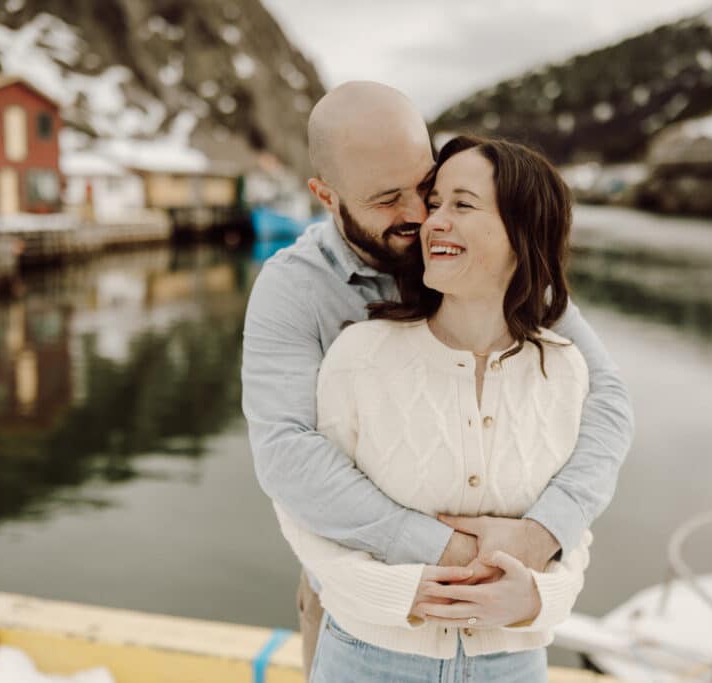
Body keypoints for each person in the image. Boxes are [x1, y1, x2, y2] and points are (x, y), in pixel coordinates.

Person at [241, 82, 633, 679]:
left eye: (425, 186)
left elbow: (606, 403)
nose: (422, 216)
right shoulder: (294, 291)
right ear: (325, 195)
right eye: (386, 199)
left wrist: (541, 534)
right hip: (359, 598)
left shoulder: (502, 272)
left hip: (501, 615)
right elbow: (287, 454)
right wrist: (445, 552)